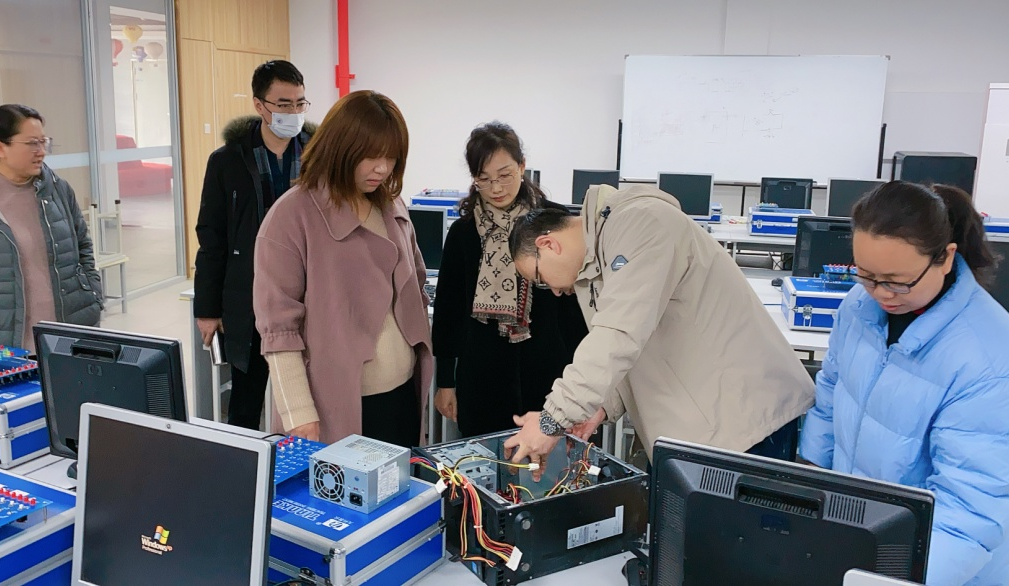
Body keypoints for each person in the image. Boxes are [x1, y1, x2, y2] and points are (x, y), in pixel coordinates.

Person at [799, 182, 1009, 586]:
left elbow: (971, 509)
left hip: (940, 568)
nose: (881, 293)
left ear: (945, 258)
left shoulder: (989, 358)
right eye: (866, 275)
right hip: (863, 538)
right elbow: (831, 397)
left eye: (897, 281)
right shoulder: (858, 307)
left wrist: (893, 581)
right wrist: (808, 489)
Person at [502, 183, 814, 471]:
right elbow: (636, 342)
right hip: (699, 430)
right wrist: (601, 407)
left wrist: (551, 421)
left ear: (548, 244)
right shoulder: (597, 262)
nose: (555, 292)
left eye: (540, 280)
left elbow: (617, 335)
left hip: (745, 425)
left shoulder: (640, 224)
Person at [253, 90, 431, 447]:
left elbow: (416, 285)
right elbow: (279, 329)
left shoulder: (391, 205)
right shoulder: (292, 216)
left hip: (400, 395)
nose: (382, 169)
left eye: (392, 157)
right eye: (370, 156)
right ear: (341, 148)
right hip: (334, 407)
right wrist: (298, 412)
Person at [431, 122, 588, 437]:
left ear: (522, 166)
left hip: (550, 373)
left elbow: (576, 309)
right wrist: (446, 382)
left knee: (547, 461)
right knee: (484, 459)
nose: (496, 188)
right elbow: (449, 311)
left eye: (504, 175)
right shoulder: (464, 232)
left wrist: (583, 385)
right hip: (482, 378)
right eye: (484, 179)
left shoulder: (556, 223)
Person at [193, 60, 316, 429]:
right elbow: (211, 236)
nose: (293, 113)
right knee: (246, 401)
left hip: (307, 294)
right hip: (249, 295)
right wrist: (207, 308)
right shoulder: (227, 161)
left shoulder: (319, 156)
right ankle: (244, 461)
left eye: (299, 103)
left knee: (308, 400)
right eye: (283, 104)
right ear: (260, 105)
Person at [0, 104, 102, 352]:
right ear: (0, 148)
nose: (41, 151)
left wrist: (93, 295)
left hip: (68, 331)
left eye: (44, 142)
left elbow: (82, 247)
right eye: (32, 143)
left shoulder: (57, 189)